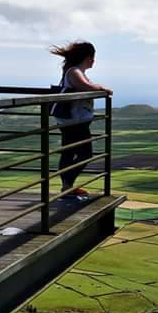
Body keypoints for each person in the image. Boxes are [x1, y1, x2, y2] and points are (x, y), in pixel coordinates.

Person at [49, 42, 113, 200]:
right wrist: (103, 89)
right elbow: (85, 86)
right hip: (75, 120)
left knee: (69, 152)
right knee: (85, 153)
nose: (93, 61)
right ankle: (67, 186)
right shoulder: (74, 71)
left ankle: (67, 187)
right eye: (92, 57)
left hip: (69, 119)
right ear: (87, 57)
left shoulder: (73, 71)